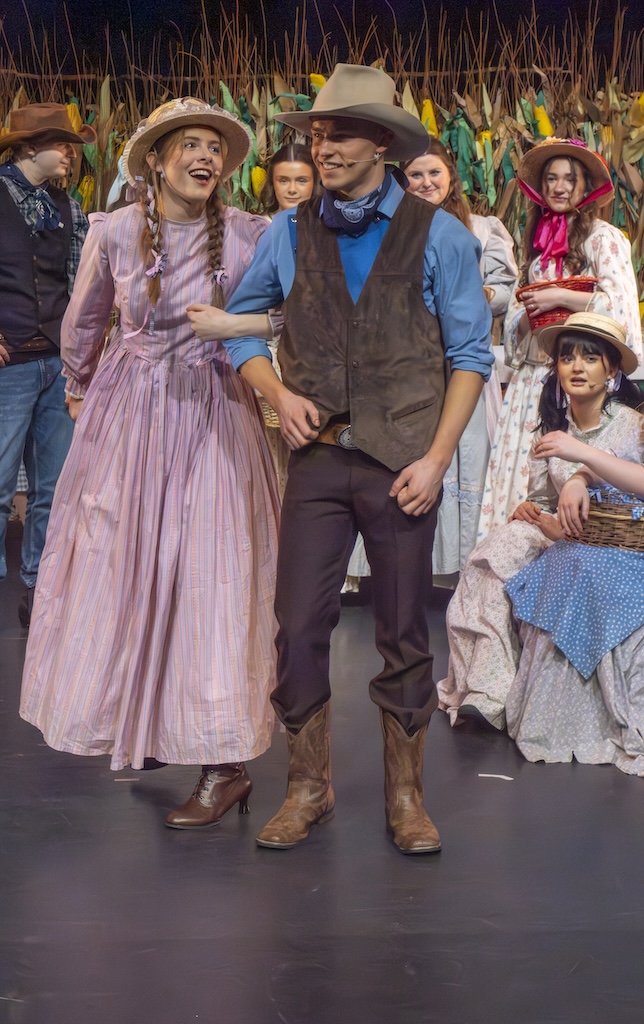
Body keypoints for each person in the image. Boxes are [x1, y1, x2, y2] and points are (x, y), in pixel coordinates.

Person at [221, 63, 494, 854]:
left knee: (405, 629)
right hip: (317, 460)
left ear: (380, 141)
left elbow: (470, 354)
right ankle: (308, 785)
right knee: (297, 625)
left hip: (402, 462)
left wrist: (438, 459)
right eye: (316, 134)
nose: (322, 146)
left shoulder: (437, 232)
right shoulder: (289, 229)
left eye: (337, 134)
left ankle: (407, 794)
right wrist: (275, 391)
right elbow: (240, 326)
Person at [20, 98, 280, 830]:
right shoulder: (119, 232)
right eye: (190, 145)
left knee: (206, 580)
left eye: (215, 147)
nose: (206, 157)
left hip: (213, 413)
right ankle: (154, 725)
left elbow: (293, 312)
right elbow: (85, 320)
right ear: (158, 161)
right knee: (131, 570)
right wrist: (78, 389)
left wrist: (240, 327)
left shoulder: (246, 235)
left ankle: (223, 763)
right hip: (131, 417)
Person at [438, 312, 643, 730]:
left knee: (548, 556)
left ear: (612, 370)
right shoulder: (551, 432)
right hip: (563, 537)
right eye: (568, 357)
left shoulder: (630, 425)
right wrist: (532, 512)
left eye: (590, 358)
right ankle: (487, 689)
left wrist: (581, 467)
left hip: (619, 544)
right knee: (494, 553)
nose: (577, 367)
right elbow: (542, 501)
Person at [478, 138, 642, 537]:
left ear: (586, 187)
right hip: (533, 378)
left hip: (576, 376)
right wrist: (525, 313)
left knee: (566, 481)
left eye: (570, 179)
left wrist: (562, 296)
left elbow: (620, 309)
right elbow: (518, 311)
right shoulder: (538, 244)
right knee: (523, 483)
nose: (560, 187)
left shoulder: (604, 238)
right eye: (551, 178)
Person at [504, 415, 644, 774]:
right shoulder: (636, 426)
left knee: (605, 578)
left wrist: (582, 455)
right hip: (612, 541)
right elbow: (623, 462)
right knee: (573, 565)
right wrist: (578, 479)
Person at [403, 138, 518, 575]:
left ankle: (462, 569)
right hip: (412, 363)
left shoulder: (483, 227)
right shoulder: (395, 227)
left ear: (450, 176)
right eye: (415, 174)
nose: (426, 181)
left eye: (434, 172)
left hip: (464, 360)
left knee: (464, 454)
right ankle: (416, 566)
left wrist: (472, 296)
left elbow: (504, 289)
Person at [0, 103, 93, 626]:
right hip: (9, 362)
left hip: (55, 361)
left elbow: (79, 286)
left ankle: (38, 589)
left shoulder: (68, 207)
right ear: (30, 148)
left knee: (51, 488)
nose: (71, 155)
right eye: (63, 145)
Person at [258, 142, 319, 215]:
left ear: (315, 182)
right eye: (283, 181)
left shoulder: (328, 224)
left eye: (302, 181)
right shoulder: (260, 225)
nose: (292, 190)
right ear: (272, 182)